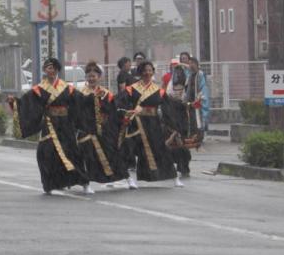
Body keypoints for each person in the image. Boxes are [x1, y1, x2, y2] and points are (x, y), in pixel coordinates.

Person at [10, 57, 91, 195]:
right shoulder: (38, 89)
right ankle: (51, 184)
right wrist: (15, 102)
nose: (51, 70)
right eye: (48, 68)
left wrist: (92, 100)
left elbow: (80, 101)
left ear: (57, 70)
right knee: (45, 153)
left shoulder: (67, 88)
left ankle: (84, 183)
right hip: (49, 124)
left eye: (54, 68)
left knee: (72, 153)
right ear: (44, 70)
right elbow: (26, 104)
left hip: (66, 125)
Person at [119, 60, 177, 186]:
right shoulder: (132, 89)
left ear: (153, 72)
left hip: (153, 123)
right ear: (140, 72)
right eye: (145, 70)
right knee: (129, 148)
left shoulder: (158, 90)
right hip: (136, 123)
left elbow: (167, 108)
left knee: (160, 149)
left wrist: (172, 124)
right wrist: (129, 111)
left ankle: (172, 176)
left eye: (150, 70)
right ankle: (126, 177)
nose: (147, 73)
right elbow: (121, 103)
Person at [74, 61, 131, 189]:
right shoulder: (81, 93)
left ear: (99, 77)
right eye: (89, 76)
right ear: (86, 77)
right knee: (87, 156)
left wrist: (122, 117)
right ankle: (85, 184)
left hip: (104, 129)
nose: (91, 78)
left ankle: (126, 178)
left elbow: (113, 111)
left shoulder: (106, 93)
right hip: (86, 129)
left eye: (94, 76)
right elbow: (77, 111)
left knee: (112, 154)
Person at [162, 59, 194, 184]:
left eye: (180, 90)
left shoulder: (185, 102)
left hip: (182, 124)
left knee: (183, 146)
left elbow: (185, 120)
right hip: (170, 124)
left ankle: (184, 167)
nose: (178, 92)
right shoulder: (167, 98)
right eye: (175, 90)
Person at [187, 56, 210, 137]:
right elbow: (187, 88)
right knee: (192, 119)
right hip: (191, 101)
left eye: (192, 63)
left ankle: (200, 135)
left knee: (199, 119)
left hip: (198, 101)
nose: (191, 65)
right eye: (189, 63)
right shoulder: (190, 75)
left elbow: (203, 88)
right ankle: (193, 135)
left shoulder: (200, 74)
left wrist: (198, 99)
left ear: (196, 64)